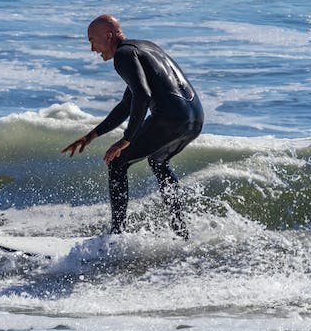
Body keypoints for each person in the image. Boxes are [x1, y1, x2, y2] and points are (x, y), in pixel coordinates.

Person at [61, 15, 204, 238]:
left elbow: (142, 95)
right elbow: (128, 103)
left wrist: (126, 138)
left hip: (170, 116)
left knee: (117, 162)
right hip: (194, 117)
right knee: (158, 161)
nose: (92, 49)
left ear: (109, 36)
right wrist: (92, 136)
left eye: (92, 41)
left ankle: (116, 236)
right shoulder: (143, 48)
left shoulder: (124, 55)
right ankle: (180, 230)